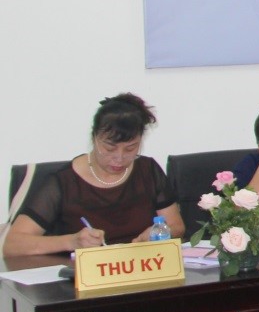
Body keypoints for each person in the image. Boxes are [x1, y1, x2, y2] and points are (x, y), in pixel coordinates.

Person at [4, 93, 183, 256]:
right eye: (109, 148)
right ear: (94, 138)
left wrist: (159, 233)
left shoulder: (148, 170)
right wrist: (72, 241)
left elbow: (177, 226)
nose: (119, 158)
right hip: (87, 276)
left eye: (130, 149)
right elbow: (12, 245)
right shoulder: (63, 183)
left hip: (142, 268)